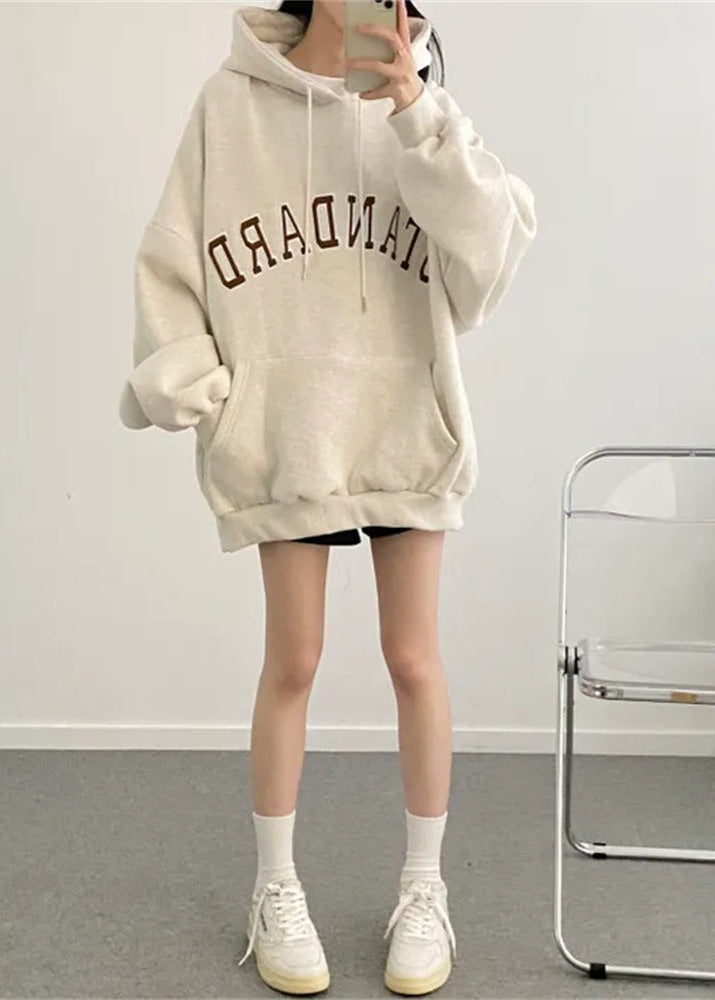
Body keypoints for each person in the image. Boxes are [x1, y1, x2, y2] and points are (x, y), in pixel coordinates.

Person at [119, 0, 536, 993]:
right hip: (288, 431)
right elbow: (170, 256)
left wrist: (416, 113)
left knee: (413, 658)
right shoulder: (230, 105)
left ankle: (424, 887)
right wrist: (202, 387)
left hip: (404, 422)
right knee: (293, 660)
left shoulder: (422, 105)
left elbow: (489, 264)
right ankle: (275, 886)